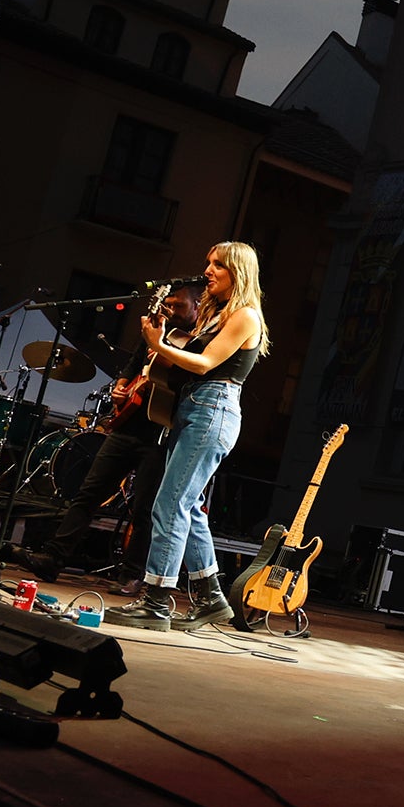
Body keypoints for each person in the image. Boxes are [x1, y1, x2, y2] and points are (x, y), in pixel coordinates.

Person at [107, 242, 268, 633]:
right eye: (208, 262)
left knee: (170, 504)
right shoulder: (217, 316)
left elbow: (205, 363)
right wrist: (160, 346)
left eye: (218, 265)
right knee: (188, 507)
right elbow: (181, 364)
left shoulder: (246, 316)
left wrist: (158, 345)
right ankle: (212, 598)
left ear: (238, 272)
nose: (207, 270)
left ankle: (156, 600)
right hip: (195, 410)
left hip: (213, 410)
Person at [25, 282, 201, 587]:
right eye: (168, 304)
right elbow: (134, 363)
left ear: (197, 306)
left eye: (178, 306)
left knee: (145, 509)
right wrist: (122, 386)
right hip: (127, 426)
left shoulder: (198, 343)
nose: (170, 310)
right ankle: (52, 558)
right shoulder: (158, 330)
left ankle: (133, 574)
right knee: (88, 493)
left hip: (161, 434)